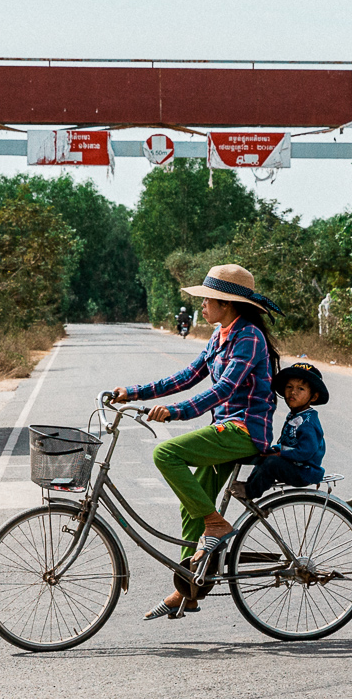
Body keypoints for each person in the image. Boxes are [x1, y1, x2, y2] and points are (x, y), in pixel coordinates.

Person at [112, 264, 282, 620]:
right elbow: (187, 376)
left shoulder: (249, 337)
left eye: (207, 299)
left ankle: (216, 526)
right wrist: (133, 392)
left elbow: (223, 390)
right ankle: (188, 588)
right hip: (225, 430)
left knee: (166, 452)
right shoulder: (220, 335)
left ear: (227, 303)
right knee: (194, 507)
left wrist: (175, 413)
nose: (202, 305)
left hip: (244, 431)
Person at [228, 362, 328, 502]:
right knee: (265, 456)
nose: (293, 392)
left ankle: (250, 491)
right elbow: (287, 443)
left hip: (304, 471)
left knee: (272, 462)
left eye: (301, 389)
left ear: (314, 397)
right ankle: (251, 485)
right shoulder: (296, 415)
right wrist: (274, 449)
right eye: (289, 387)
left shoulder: (308, 422)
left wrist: (280, 454)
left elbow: (306, 452)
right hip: (293, 464)